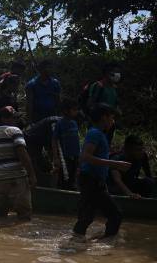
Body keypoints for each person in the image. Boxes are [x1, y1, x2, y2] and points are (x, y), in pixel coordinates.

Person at [73, 104, 133, 240]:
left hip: (94, 180)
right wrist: (116, 164)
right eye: (111, 117)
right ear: (103, 118)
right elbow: (86, 156)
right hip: (91, 180)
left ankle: (77, 242)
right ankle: (105, 244)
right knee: (114, 215)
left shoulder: (98, 134)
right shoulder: (95, 133)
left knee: (86, 217)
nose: (113, 121)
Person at [0, 106, 37, 220]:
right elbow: (22, 154)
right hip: (16, 178)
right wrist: (32, 175)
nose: (15, 121)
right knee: (24, 215)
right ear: (4, 119)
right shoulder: (14, 131)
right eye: (13, 118)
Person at [85, 62, 121, 142]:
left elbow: (115, 104)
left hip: (109, 123)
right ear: (107, 73)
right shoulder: (97, 86)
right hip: (97, 125)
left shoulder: (114, 88)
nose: (118, 75)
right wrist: (107, 108)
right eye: (115, 72)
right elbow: (90, 104)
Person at [52, 99, 81, 190]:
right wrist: (56, 157)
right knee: (63, 177)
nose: (76, 112)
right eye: (74, 109)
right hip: (65, 157)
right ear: (66, 110)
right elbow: (54, 140)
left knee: (73, 177)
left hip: (75, 155)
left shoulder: (74, 123)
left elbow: (76, 140)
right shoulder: (60, 123)